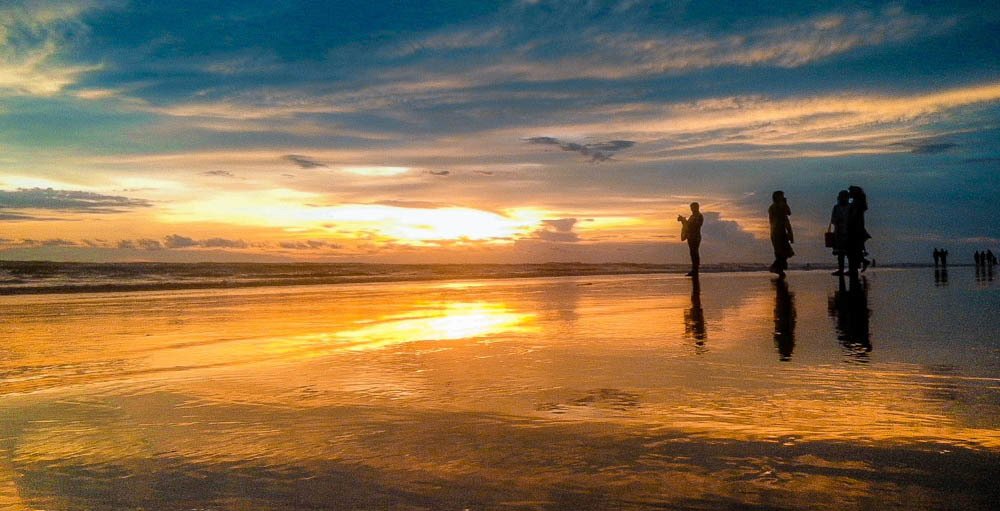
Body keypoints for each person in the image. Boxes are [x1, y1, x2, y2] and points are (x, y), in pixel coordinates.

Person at [768, 191, 794, 278]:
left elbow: (789, 213)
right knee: (781, 252)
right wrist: (784, 204)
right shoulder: (773, 207)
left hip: (782, 231)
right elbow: (785, 213)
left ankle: (778, 269)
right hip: (777, 232)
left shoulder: (781, 206)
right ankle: (776, 268)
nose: (783, 198)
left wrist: (785, 204)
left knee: (785, 252)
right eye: (781, 196)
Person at [846, 186, 871, 276]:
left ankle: (854, 268)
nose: (849, 193)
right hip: (858, 228)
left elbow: (854, 216)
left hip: (855, 229)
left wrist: (848, 222)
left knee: (852, 250)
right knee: (856, 249)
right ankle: (857, 266)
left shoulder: (856, 203)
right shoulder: (859, 203)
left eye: (850, 192)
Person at [677, 202, 703, 277]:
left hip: (695, 237)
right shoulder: (692, 216)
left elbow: (695, 226)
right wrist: (682, 220)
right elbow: (687, 226)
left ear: (697, 207)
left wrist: (684, 221)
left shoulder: (699, 216)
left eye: (693, 207)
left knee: (694, 253)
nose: (692, 209)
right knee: (692, 253)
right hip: (690, 237)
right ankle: (694, 270)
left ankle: (695, 270)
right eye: (691, 208)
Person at [829, 190, 850, 275]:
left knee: (849, 252)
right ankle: (841, 269)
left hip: (849, 232)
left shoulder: (850, 207)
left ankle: (851, 269)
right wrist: (837, 221)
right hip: (839, 232)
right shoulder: (836, 207)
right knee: (840, 253)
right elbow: (832, 220)